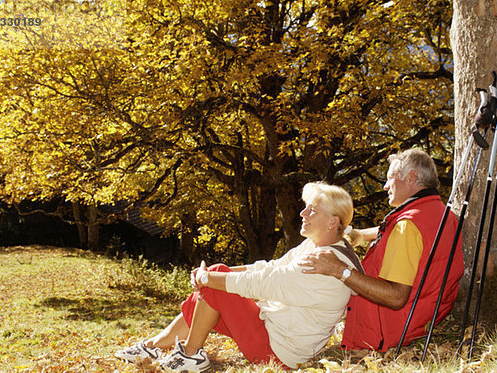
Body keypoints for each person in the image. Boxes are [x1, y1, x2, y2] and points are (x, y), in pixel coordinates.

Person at [115, 182, 363, 372]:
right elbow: (269, 267)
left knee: (214, 286)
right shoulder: (314, 246)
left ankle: (191, 356)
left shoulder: (324, 263)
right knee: (213, 282)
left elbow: (264, 283)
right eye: (305, 207)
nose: (302, 213)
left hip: (278, 352)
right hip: (270, 327)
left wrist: (209, 279)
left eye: (312, 210)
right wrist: (212, 273)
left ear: (332, 222)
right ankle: (153, 345)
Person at [299, 148, 464, 352]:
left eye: (390, 179)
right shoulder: (441, 213)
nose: (385, 186)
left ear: (411, 178)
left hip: (384, 333)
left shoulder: (407, 227)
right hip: (422, 320)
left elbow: (395, 297)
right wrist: (360, 235)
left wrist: (339, 269)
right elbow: (407, 235)